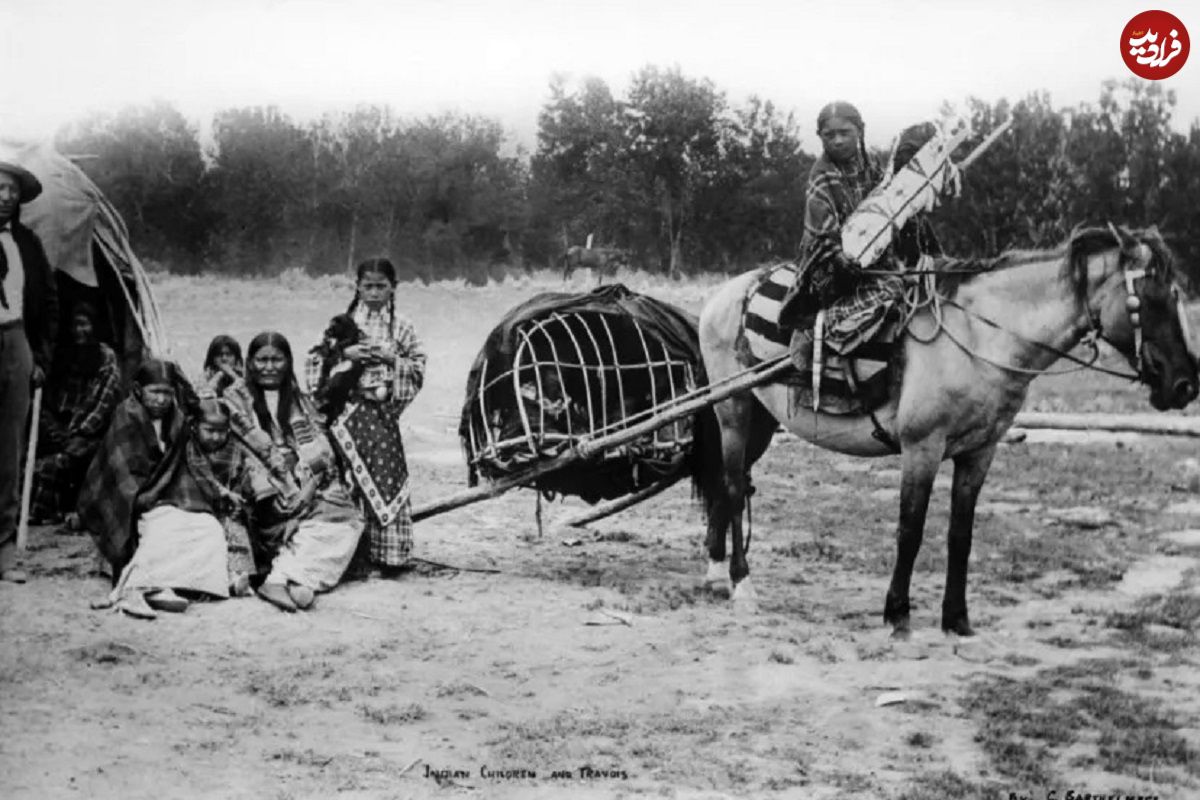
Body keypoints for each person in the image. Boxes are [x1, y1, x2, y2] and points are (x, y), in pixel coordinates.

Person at [778, 103, 944, 354]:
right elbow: (822, 235)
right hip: (832, 267)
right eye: (829, 135)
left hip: (873, 255)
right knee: (894, 289)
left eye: (845, 133)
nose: (838, 141)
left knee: (923, 280)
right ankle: (816, 327)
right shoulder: (821, 175)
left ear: (860, 132)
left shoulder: (873, 165)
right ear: (820, 137)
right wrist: (840, 258)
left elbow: (889, 204)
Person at [304, 258, 426, 578]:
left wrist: (391, 358)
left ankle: (388, 557)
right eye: (367, 286)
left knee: (387, 478)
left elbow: (418, 367)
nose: (373, 292)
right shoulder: (342, 324)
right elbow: (315, 361)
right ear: (357, 287)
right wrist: (346, 355)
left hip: (381, 415)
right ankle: (352, 557)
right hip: (346, 415)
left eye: (380, 286)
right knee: (349, 482)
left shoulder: (403, 327)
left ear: (393, 288)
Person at [226, 331, 364, 612]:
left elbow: (320, 447)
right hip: (263, 490)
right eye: (261, 360)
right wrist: (277, 486)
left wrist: (309, 488)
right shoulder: (235, 398)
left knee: (348, 520)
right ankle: (286, 578)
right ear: (250, 363)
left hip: (304, 486)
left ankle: (292, 579)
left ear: (288, 362)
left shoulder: (299, 399)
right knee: (303, 525)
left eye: (276, 359)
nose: (269, 367)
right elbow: (247, 450)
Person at [107, 395, 255, 619]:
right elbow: (196, 477)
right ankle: (142, 587)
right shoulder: (183, 446)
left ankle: (217, 582)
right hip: (169, 499)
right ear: (194, 426)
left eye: (221, 430)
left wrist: (230, 497)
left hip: (210, 509)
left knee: (211, 532)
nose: (216, 437)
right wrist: (220, 493)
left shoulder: (232, 450)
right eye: (209, 430)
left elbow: (237, 481)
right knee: (165, 531)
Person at [0, 152, 58, 583]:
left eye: (11, 190)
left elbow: (51, 303)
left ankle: (3, 550)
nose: (3, 197)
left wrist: (39, 355)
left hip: (15, 339)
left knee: (10, 446)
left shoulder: (28, 244)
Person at [78, 358, 188, 581]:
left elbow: (174, 464)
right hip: (123, 491)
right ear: (138, 390)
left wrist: (162, 493)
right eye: (154, 392)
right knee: (148, 521)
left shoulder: (176, 419)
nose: (161, 399)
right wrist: (146, 496)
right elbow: (122, 469)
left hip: (159, 489)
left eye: (167, 393)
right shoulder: (127, 414)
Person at [28, 302, 123, 524]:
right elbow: (55, 401)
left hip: (90, 433)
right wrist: (55, 430)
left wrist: (78, 432)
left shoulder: (105, 356)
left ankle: (52, 511)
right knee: (39, 464)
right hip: (62, 430)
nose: (78, 331)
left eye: (84, 324)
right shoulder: (67, 356)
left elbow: (103, 402)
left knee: (62, 461)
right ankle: (44, 511)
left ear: (94, 326)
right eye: (75, 326)